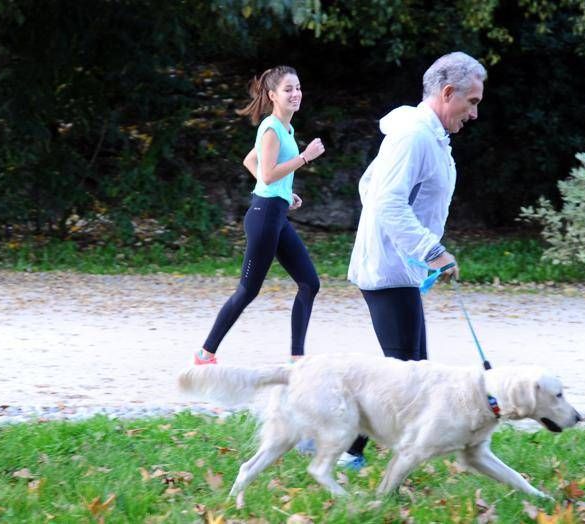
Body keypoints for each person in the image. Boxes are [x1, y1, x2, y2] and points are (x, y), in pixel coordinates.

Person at [341, 51, 487, 468]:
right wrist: (432, 251)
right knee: (408, 374)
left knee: (406, 371)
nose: (474, 113)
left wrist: (420, 256)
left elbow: (369, 185)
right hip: (388, 270)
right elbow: (386, 200)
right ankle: (337, 445)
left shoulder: (428, 134)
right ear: (446, 93)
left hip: (399, 267)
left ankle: (344, 446)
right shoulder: (415, 136)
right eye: (472, 102)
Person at [194, 65, 325, 365]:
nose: (296, 94)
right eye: (288, 89)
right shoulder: (271, 129)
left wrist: (283, 192)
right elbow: (266, 174)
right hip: (264, 218)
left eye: (298, 88)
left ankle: (297, 359)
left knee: (310, 283)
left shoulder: (286, 129)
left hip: (274, 213)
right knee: (247, 290)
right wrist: (305, 157)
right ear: (272, 95)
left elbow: (250, 161)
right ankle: (205, 354)